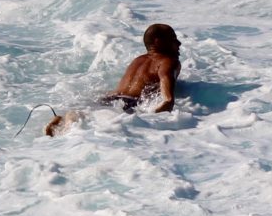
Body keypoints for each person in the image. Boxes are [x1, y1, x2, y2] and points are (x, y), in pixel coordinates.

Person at [44, 23, 180, 135]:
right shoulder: (168, 61)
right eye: (174, 39)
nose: (178, 43)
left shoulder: (137, 60)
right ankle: (69, 127)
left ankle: (63, 121)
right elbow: (167, 97)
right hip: (129, 104)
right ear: (158, 41)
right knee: (88, 127)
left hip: (111, 98)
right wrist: (156, 117)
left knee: (84, 115)